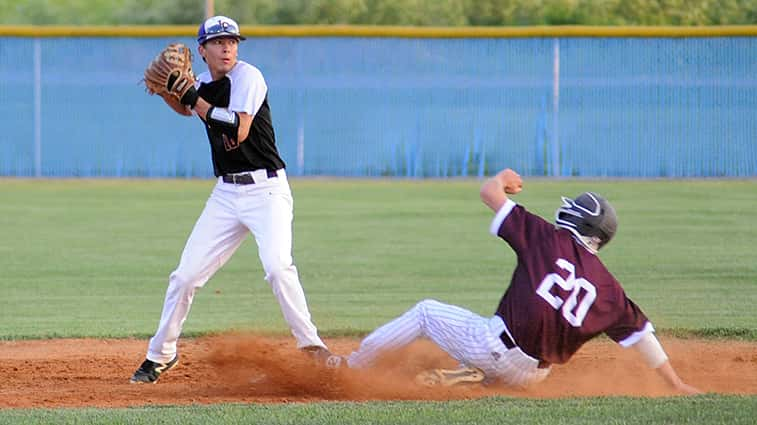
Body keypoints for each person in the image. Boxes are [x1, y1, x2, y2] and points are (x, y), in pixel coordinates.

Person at [330, 168, 701, 394]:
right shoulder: (610, 290)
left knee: (427, 313)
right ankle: (475, 378)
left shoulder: (547, 238)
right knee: (494, 359)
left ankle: (351, 367)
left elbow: (488, 193)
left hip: (495, 347)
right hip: (533, 377)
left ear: (580, 223)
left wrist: (501, 179)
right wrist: (677, 384)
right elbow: (644, 339)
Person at [130, 15, 331, 383]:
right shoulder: (205, 82)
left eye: (233, 41)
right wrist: (165, 92)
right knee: (185, 276)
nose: (227, 47)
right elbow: (188, 109)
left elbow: (236, 129)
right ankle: (160, 355)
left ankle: (312, 347)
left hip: (266, 191)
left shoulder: (248, 77)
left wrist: (191, 95)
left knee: (277, 266)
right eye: (219, 41)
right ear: (202, 50)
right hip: (226, 194)